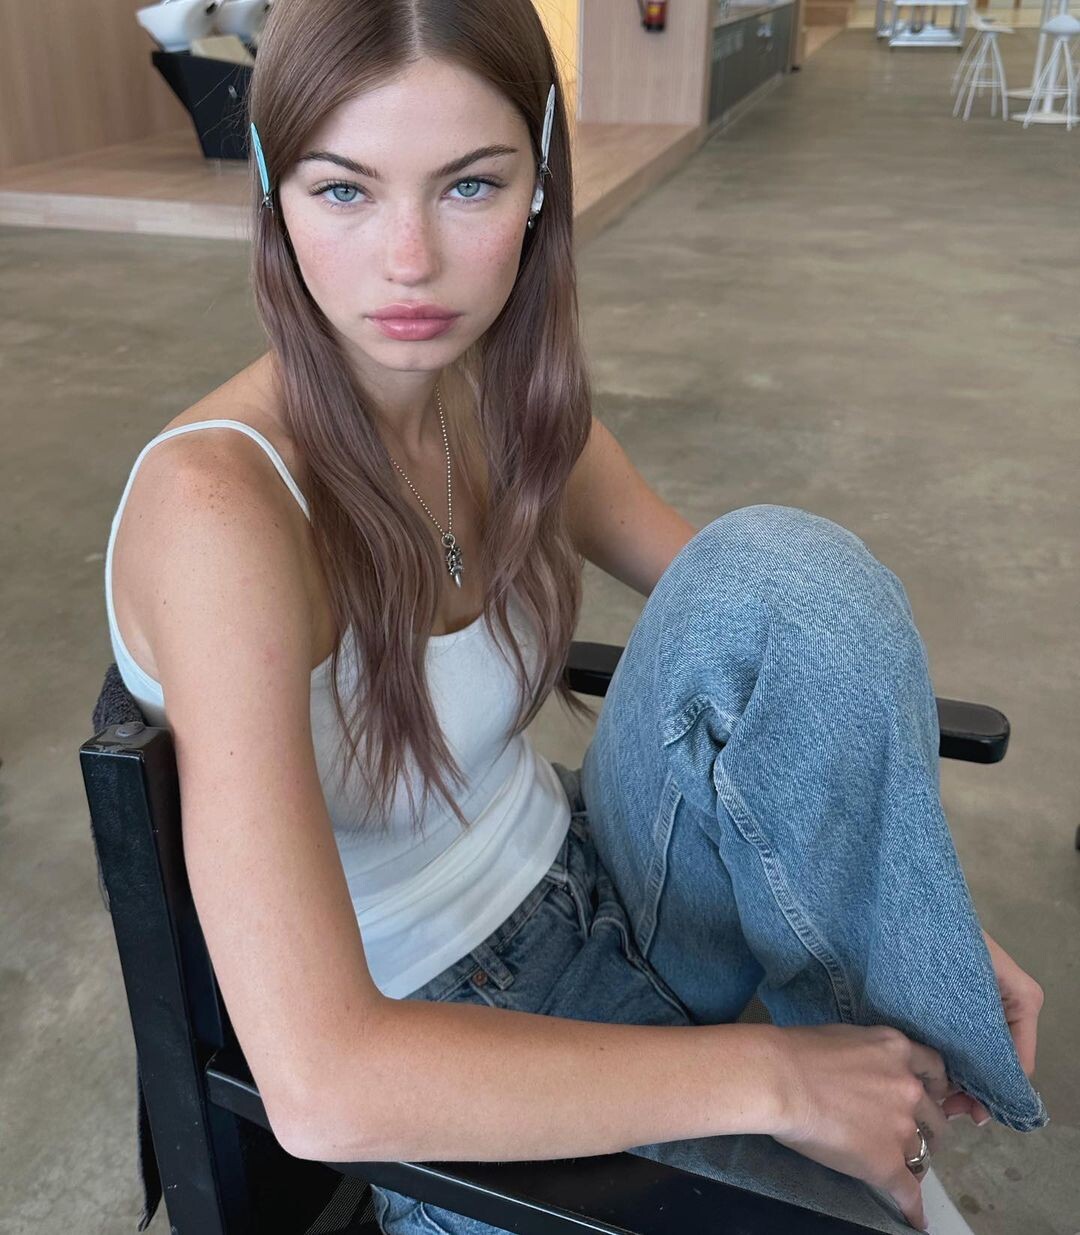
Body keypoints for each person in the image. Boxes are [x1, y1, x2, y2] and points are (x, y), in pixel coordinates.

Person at [101, 0, 1048, 1232]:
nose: (408, 261)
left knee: (795, 571)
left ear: (540, 181)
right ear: (274, 192)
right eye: (344, 190)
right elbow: (326, 1084)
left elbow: (768, 625)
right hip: (437, 1051)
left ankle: (876, 1079)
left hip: (601, 871)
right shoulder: (218, 508)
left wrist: (904, 901)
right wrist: (776, 1075)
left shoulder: (497, 392)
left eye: (469, 185)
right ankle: (853, 1109)